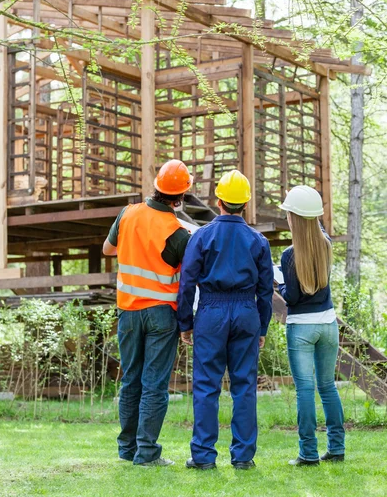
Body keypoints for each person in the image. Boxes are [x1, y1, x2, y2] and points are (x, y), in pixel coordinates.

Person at [177, 170, 274, 470]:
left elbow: (187, 283)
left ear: (218, 201)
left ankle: (204, 457)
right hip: (246, 312)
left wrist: (185, 323)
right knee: (244, 386)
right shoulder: (258, 241)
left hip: (211, 312)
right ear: (245, 204)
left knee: (207, 385)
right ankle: (243, 457)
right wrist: (262, 325)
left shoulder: (202, 236)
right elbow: (266, 290)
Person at [103, 159, 193, 467]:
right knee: (154, 384)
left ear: (155, 186)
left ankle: (127, 450)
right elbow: (189, 277)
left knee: (131, 380)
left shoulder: (127, 213)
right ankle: (146, 452)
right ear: (180, 197)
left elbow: (107, 249)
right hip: (160, 315)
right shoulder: (179, 233)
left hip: (128, 312)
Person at [276, 186, 345, 466]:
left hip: (301, 329)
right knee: (328, 387)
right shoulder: (326, 243)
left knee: (305, 390)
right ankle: (337, 448)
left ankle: (308, 453)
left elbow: (292, 297)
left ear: (294, 217)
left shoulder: (289, 256)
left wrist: (279, 282)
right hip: (328, 324)